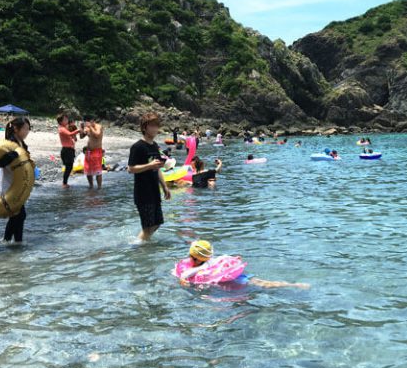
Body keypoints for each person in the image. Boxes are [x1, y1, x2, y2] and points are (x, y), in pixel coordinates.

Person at [176, 240, 310, 289]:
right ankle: (293, 285)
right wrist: (235, 258)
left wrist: (182, 279)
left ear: (197, 258)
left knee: (262, 285)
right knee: (260, 282)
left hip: (232, 281)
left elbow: (185, 273)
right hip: (236, 275)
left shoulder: (202, 266)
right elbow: (222, 258)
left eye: (191, 256)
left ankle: (292, 285)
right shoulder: (211, 260)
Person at [127, 112, 171, 242]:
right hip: (143, 192)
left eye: (157, 126)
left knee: (157, 223)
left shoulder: (155, 146)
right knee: (148, 227)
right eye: (152, 126)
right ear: (145, 127)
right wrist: (149, 165)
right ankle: (136, 247)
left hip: (154, 190)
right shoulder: (138, 146)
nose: (155, 129)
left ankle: (142, 242)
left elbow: (157, 168)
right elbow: (131, 169)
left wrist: (164, 187)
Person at [0, 117, 32, 245]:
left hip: (19, 184)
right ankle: (10, 241)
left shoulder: (22, 143)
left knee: (18, 215)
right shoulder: (9, 144)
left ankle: (14, 241)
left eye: (28, 129)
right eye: (25, 129)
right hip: (9, 185)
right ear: (16, 129)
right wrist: (12, 155)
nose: (27, 131)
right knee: (19, 215)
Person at [57, 113, 79, 189]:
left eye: (67, 119)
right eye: (65, 120)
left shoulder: (65, 127)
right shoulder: (61, 129)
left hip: (69, 150)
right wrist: (78, 130)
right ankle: (64, 183)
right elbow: (70, 134)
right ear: (60, 122)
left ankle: (65, 182)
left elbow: (71, 134)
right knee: (68, 167)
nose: (67, 121)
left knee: (69, 167)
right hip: (67, 150)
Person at [82, 116, 104, 190]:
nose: (87, 123)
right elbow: (81, 136)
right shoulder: (87, 127)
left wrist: (90, 127)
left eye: (89, 122)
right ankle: (91, 186)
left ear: (93, 121)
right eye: (86, 122)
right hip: (88, 151)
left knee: (98, 171)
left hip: (97, 150)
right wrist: (82, 129)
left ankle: (99, 187)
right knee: (88, 170)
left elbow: (97, 135)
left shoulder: (98, 127)